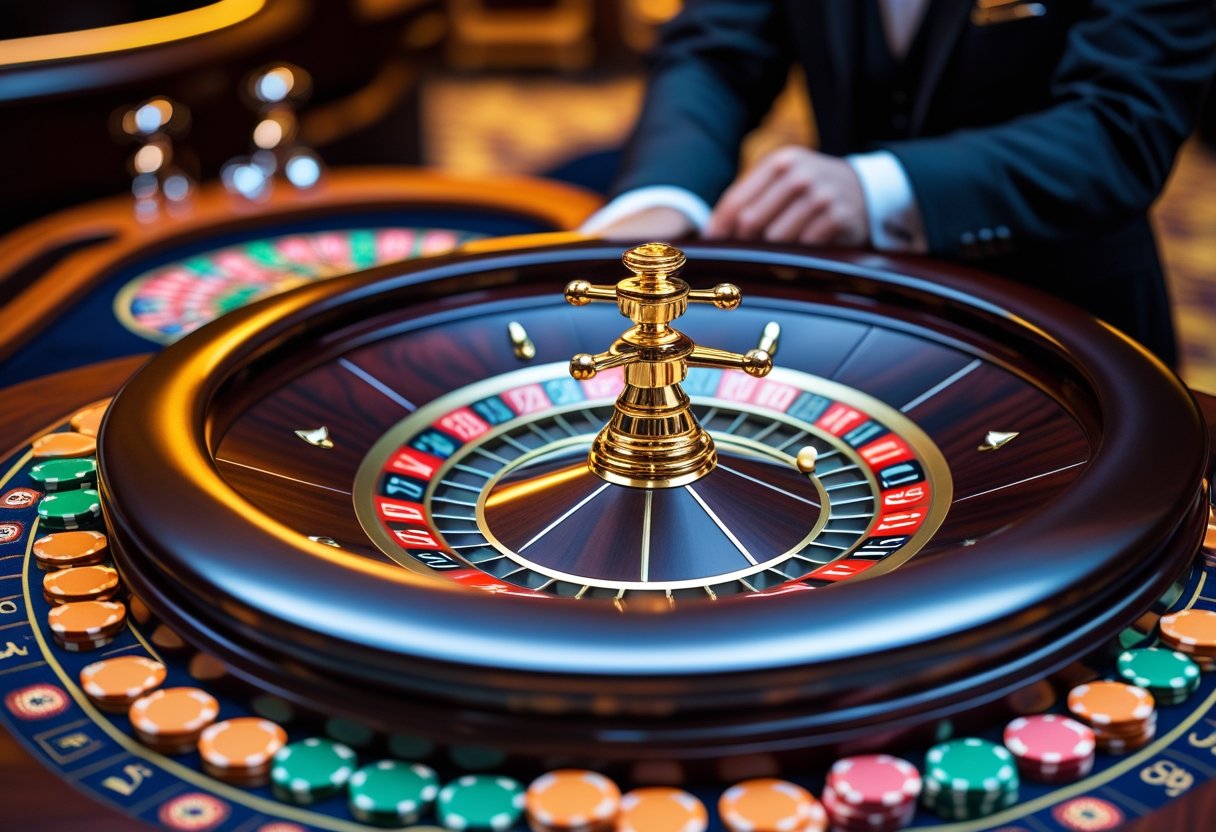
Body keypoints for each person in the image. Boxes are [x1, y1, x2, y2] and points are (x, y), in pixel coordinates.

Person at [583, 0, 1216, 366]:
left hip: (1068, 325)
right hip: (854, 306)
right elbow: (714, 50)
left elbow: (1122, 124)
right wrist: (663, 194)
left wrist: (882, 187)